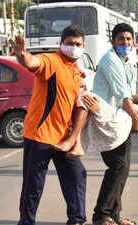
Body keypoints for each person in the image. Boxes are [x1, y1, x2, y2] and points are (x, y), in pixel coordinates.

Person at [11, 24, 88, 225]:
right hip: (39, 136)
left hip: (62, 138)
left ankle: (77, 220)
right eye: (69, 43)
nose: (73, 47)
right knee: (33, 186)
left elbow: (78, 106)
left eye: (77, 44)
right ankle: (26, 222)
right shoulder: (52, 61)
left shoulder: (77, 72)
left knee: (76, 174)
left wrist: (74, 139)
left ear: (84, 46)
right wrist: (22, 55)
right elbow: (33, 62)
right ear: (61, 44)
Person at [90, 23, 138, 225]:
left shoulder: (127, 61)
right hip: (106, 119)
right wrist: (136, 118)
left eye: (128, 39)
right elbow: (122, 94)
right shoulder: (110, 59)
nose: (125, 42)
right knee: (117, 166)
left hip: (120, 119)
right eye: (121, 39)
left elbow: (129, 93)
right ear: (113, 41)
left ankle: (113, 215)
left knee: (123, 168)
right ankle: (101, 215)